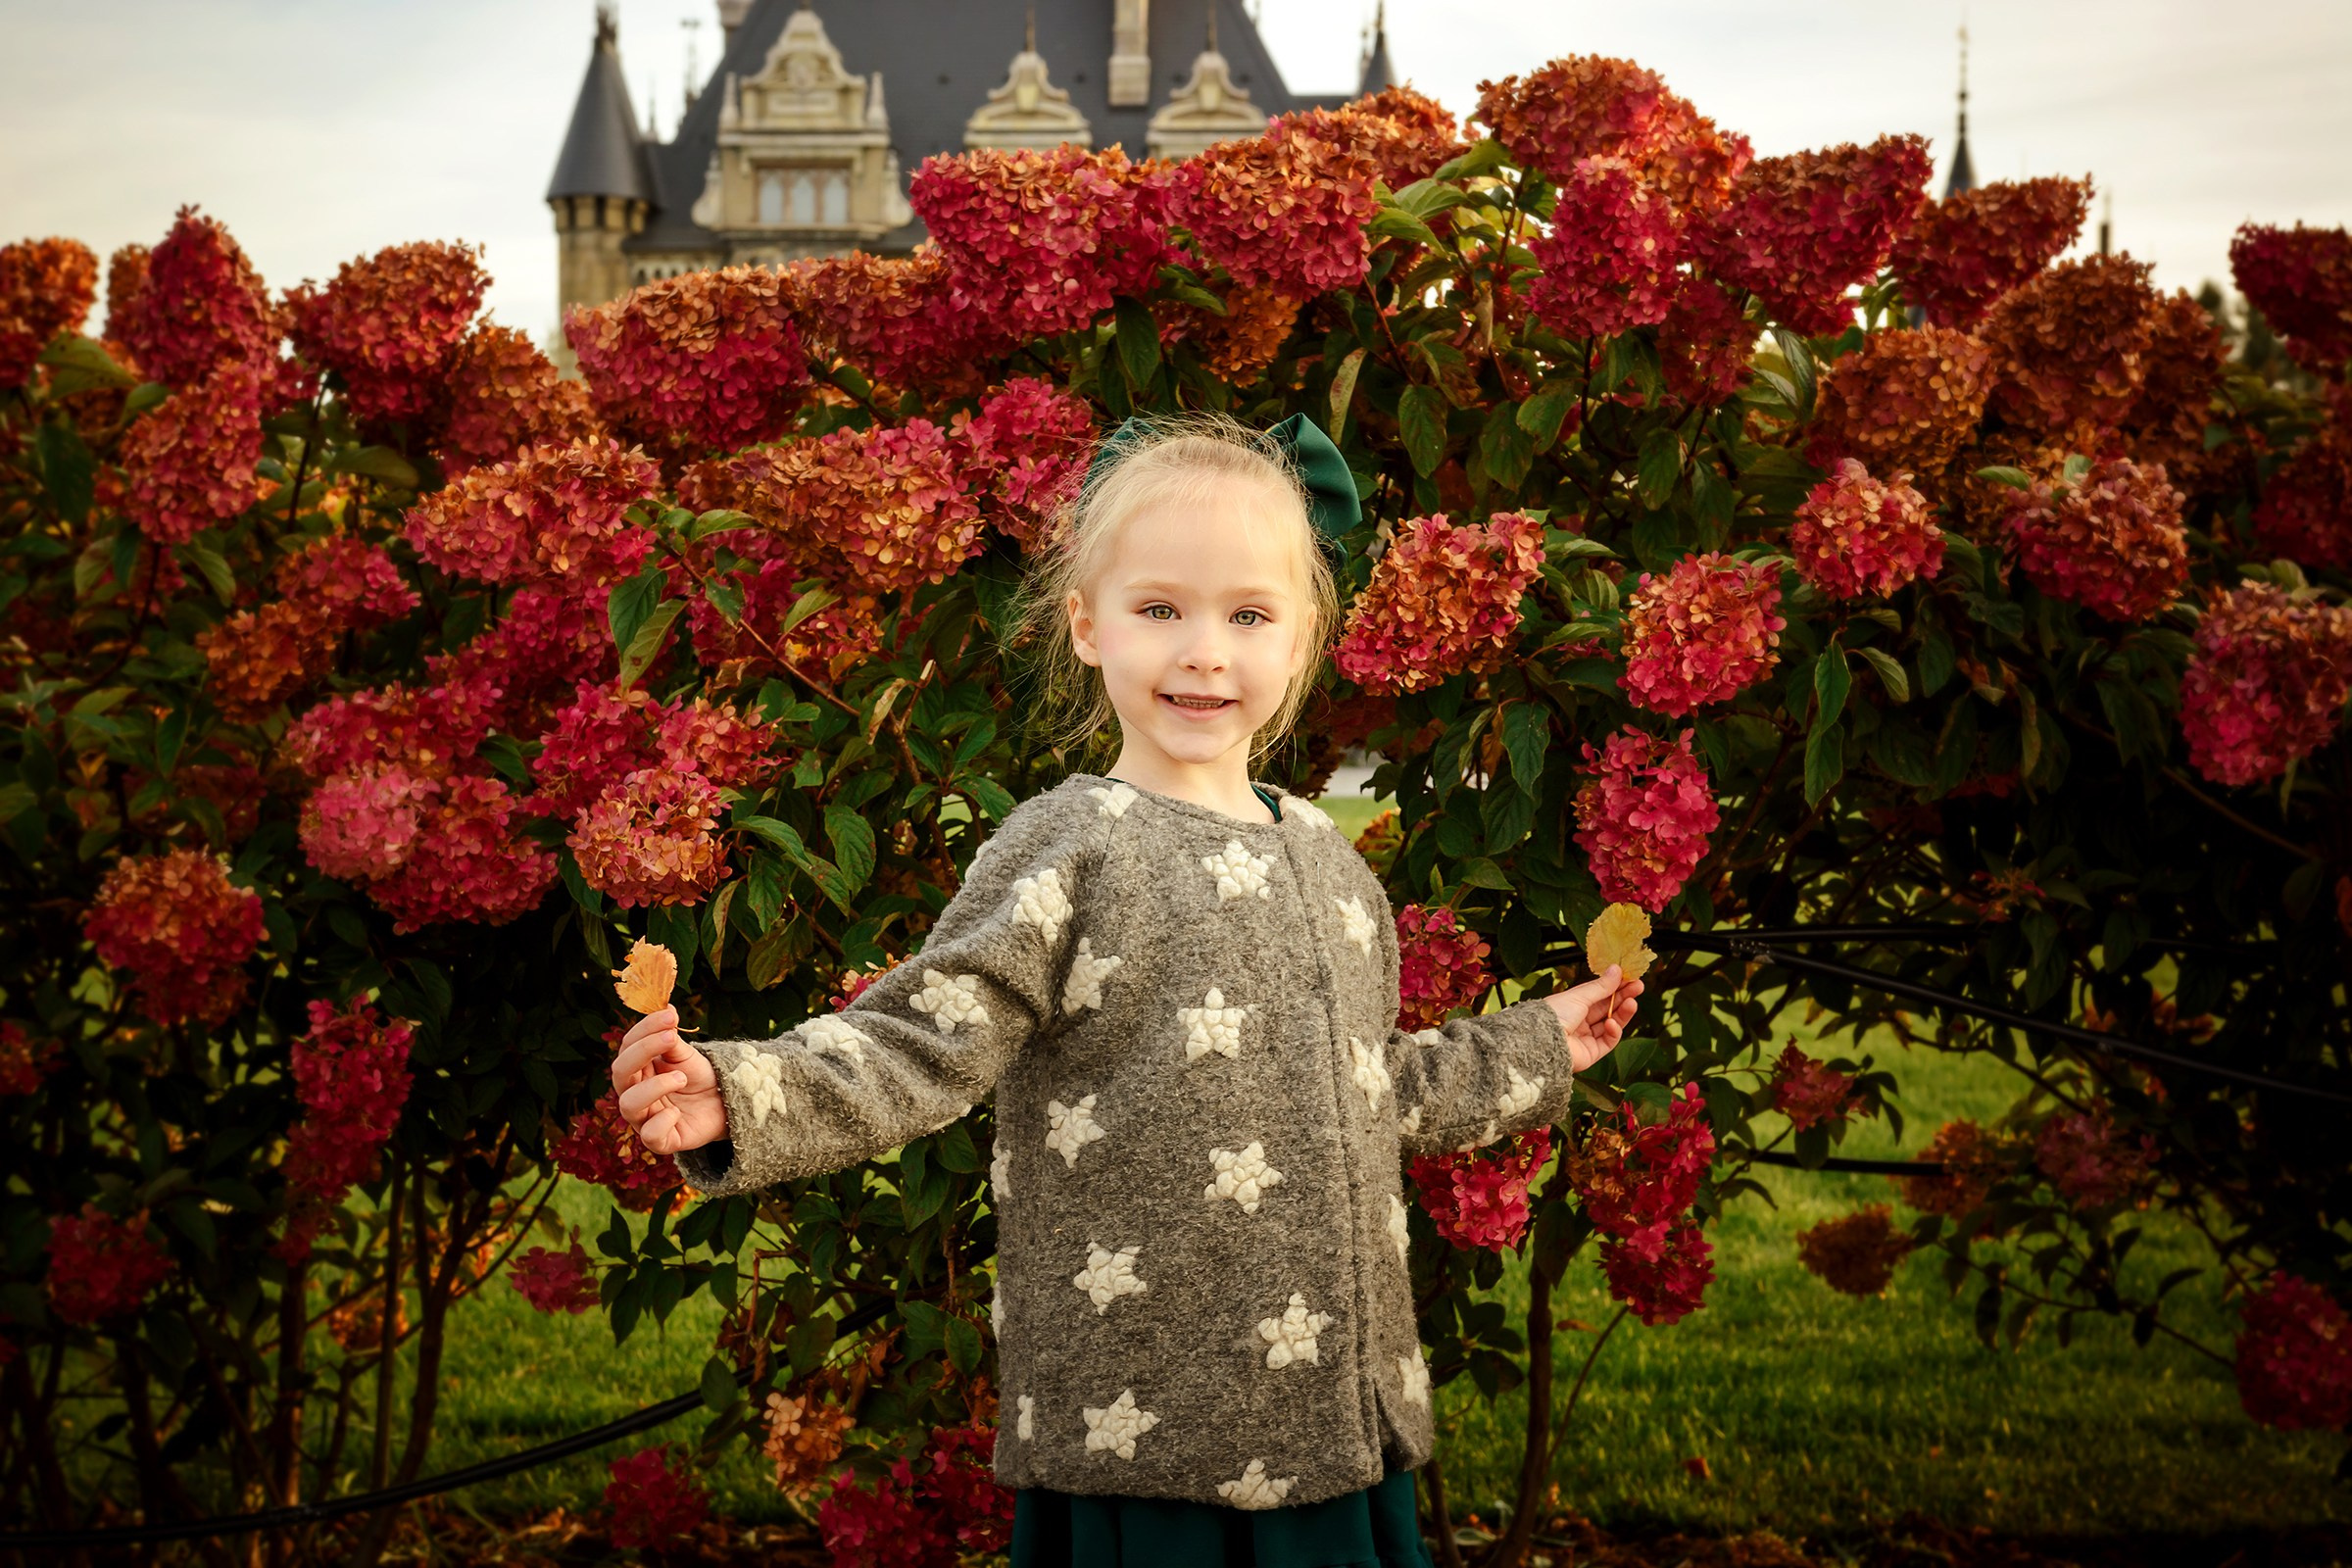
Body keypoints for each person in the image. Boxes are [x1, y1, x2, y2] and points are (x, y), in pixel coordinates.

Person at [610, 410, 1642, 1566]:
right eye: (1161, 609)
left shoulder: (1331, 863)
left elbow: (1366, 1087)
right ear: (1087, 627)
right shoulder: (1073, 846)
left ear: (1302, 642)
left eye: (1249, 615)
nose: (1205, 651)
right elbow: (922, 1038)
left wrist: (1537, 1045)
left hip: (1337, 1433)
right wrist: (742, 1095)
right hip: (1146, 1430)